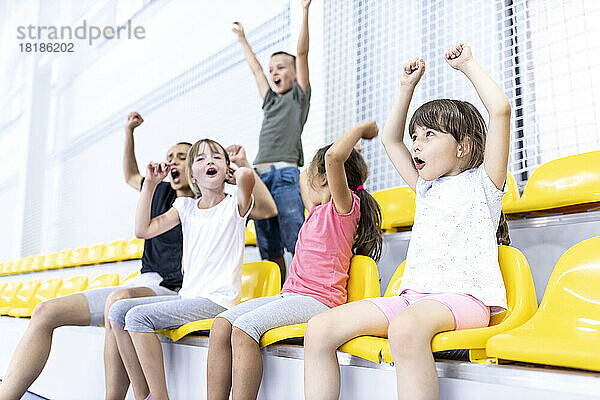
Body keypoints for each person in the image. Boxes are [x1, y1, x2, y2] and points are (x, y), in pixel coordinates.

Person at [303, 43, 512, 400]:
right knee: (319, 329)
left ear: (462, 147)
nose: (415, 144)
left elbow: (501, 111)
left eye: (429, 135)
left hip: (465, 299)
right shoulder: (426, 188)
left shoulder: (485, 184)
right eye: (415, 136)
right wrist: (406, 87)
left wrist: (468, 65)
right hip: (412, 298)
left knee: (405, 328)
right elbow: (389, 139)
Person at [0, 112, 192, 400]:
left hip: (172, 290)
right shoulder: (159, 191)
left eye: (183, 156)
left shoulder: (207, 203)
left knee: (118, 301)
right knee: (45, 311)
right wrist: (128, 131)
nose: (174, 160)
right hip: (146, 281)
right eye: (170, 155)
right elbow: (130, 175)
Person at [206, 121, 384, 400]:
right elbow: (306, 175)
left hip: (318, 300)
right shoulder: (315, 210)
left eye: (313, 173)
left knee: (244, 328)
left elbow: (332, 158)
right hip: (291, 296)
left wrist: (360, 131)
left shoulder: (344, 208)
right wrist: (244, 163)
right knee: (221, 324)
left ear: (325, 178)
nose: (304, 179)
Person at [107, 138, 277, 400]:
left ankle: (159, 397)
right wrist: (150, 185)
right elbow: (142, 230)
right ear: (192, 176)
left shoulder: (235, 205)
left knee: (138, 318)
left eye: (216, 158)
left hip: (217, 301)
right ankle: (143, 393)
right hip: (188, 297)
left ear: (226, 169)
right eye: (200, 159)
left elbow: (245, 178)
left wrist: (239, 167)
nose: (209, 161)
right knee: (117, 311)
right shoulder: (184, 207)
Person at [233, 0, 313, 281]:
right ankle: (277, 291)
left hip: (285, 174)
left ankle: (303, 284)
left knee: (294, 233)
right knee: (268, 243)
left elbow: (302, 53)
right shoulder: (269, 100)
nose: (274, 73)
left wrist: (303, 11)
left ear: (294, 73)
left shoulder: (298, 97)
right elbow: (256, 70)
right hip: (258, 176)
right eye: (272, 69)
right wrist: (243, 39)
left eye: (281, 67)